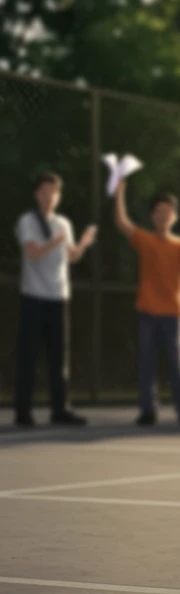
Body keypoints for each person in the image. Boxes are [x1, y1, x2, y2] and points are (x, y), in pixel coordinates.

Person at [113, 180, 180, 427]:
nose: (163, 216)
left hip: (173, 314)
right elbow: (122, 223)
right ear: (152, 216)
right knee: (147, 364)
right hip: (147, 312)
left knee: (177, 365)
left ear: (174, 216)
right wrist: (120, 191)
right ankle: (148, 411)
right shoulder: (145, 240)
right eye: (159, 212)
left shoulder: (179, 245)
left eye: (168, 212)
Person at [14, 172, 97, 428]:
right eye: (45, 191)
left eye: (54, 192)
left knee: (59, 357)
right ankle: (23, 412)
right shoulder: (28, 221)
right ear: (37, 194)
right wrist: (55, 241)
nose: (50, 196)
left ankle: (60, 409)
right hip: (34, 297)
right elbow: (33, 253)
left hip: (59, 298)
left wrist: (82, 243)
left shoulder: (64, 223)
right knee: (28, 356)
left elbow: (71, 256)